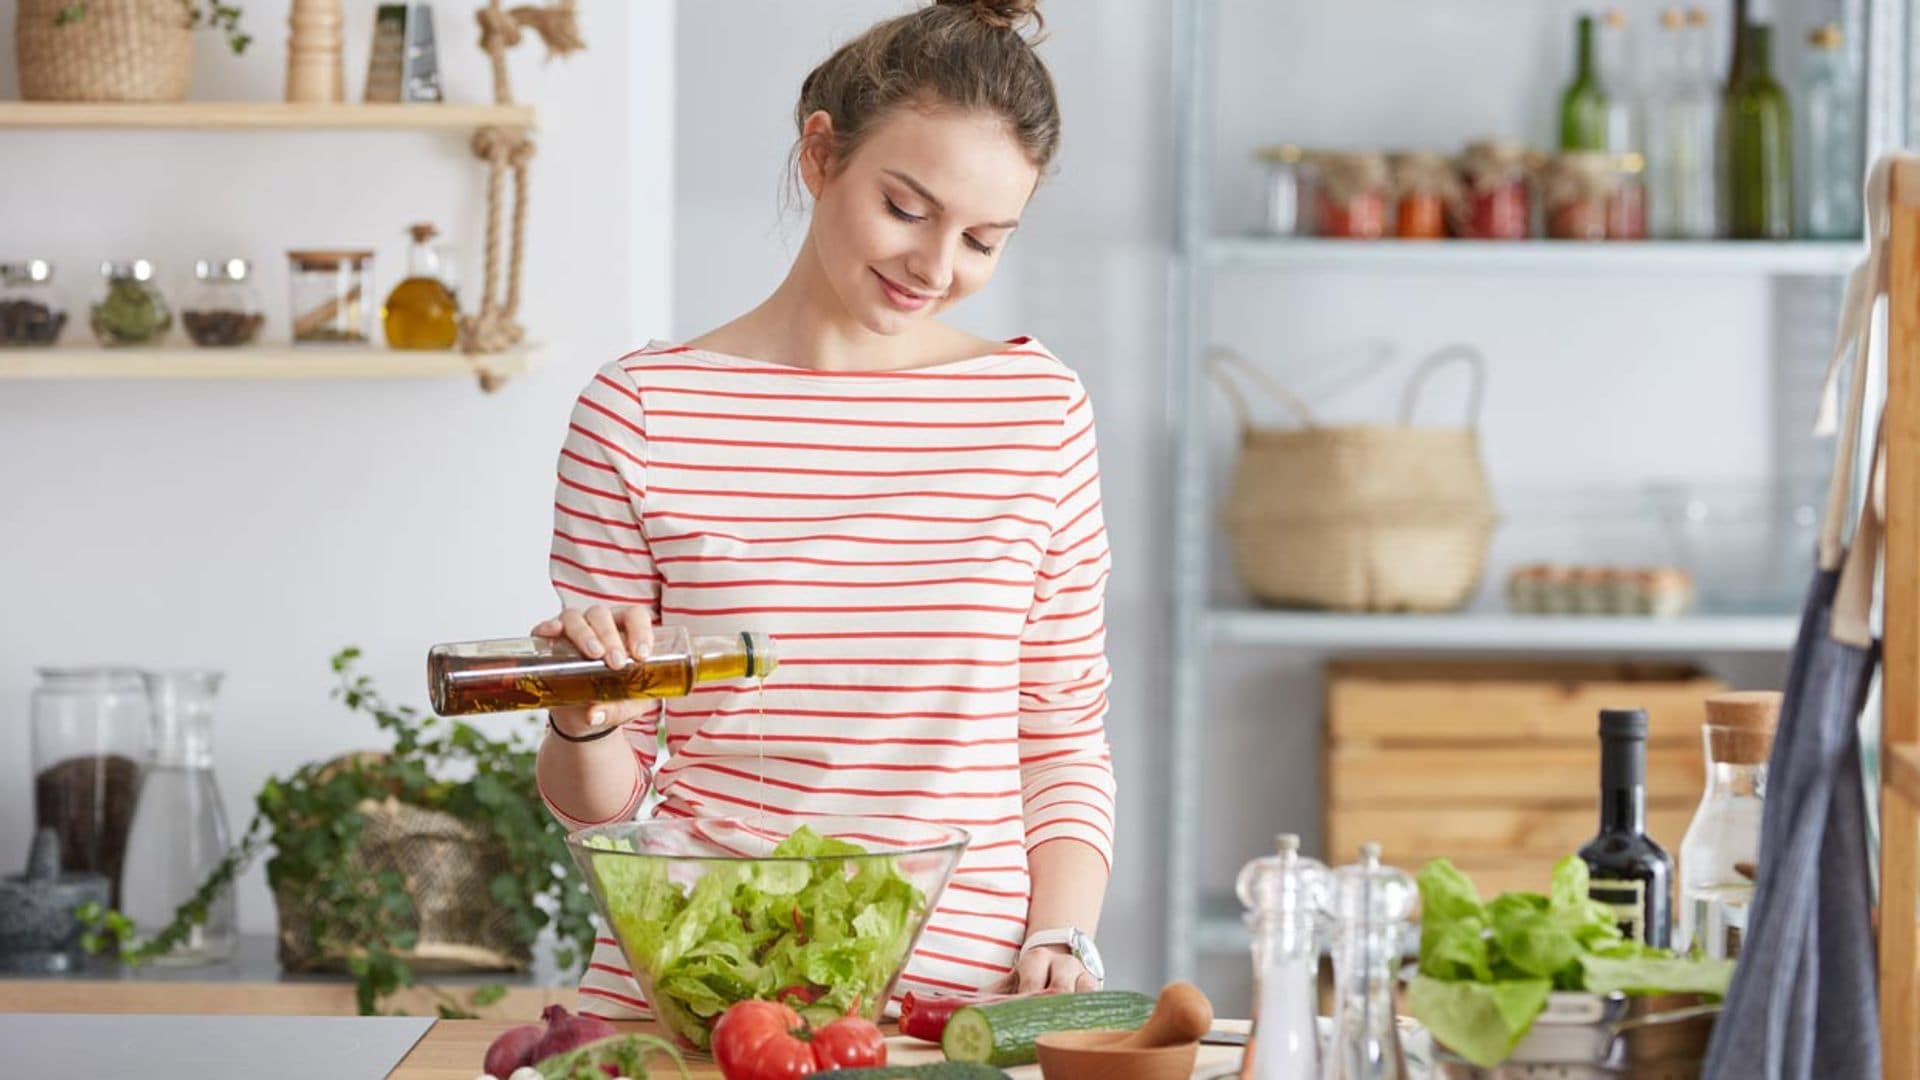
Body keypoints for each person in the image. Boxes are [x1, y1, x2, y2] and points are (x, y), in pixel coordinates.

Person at [531, 0, 1114, 1021]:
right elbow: (612, 807)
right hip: (700, 994)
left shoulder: (1040, 414)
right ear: (819, 153)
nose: (937, 268)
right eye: (907, 207)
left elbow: (1060, 731)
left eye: (984, 239)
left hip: (952, 1016)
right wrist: (583, 721)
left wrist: (1061, 935)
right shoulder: (641, 413)